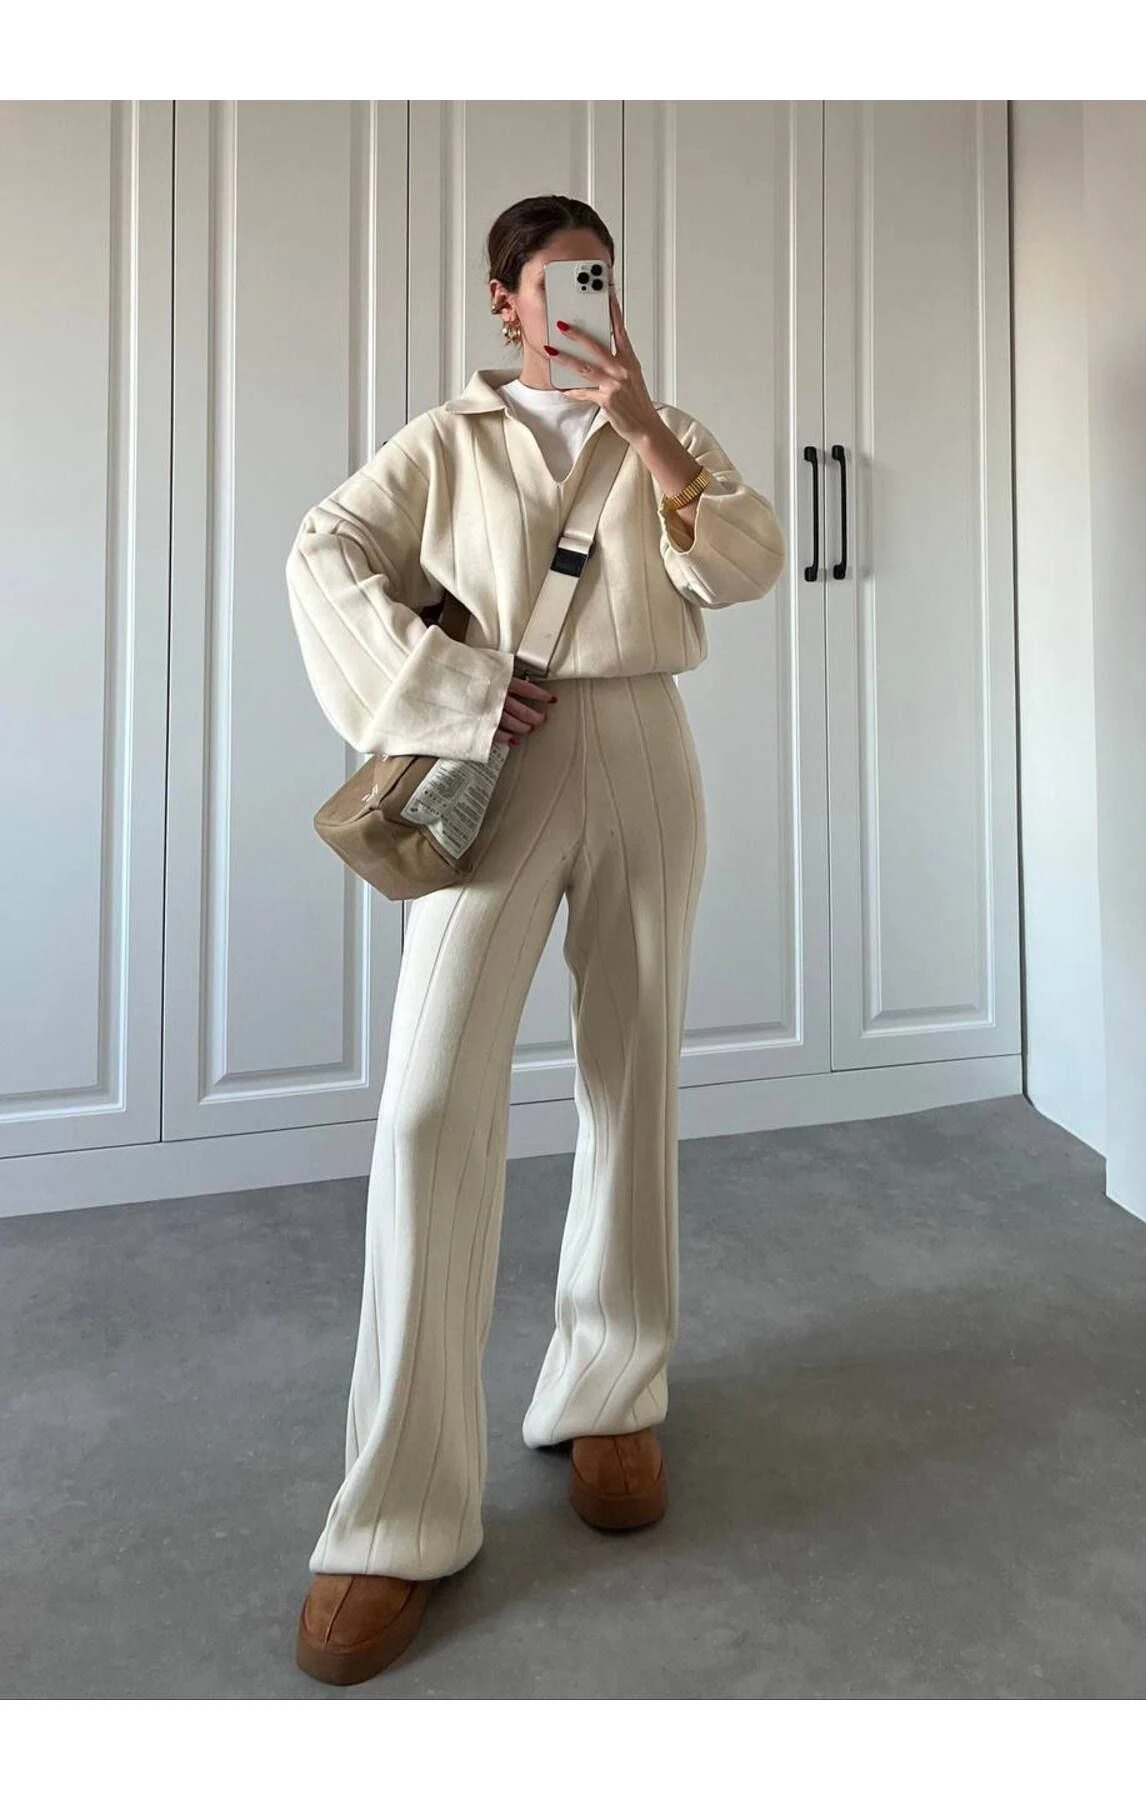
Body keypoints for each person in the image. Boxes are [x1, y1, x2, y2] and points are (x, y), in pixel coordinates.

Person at [285, 193, 786, 1685]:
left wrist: (643, 427)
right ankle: (398, 1515)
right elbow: (322, 553)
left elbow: (742, 563)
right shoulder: (446, 439)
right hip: (497, 766)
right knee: (431, 1108)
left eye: (600, 279)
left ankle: (612, 1393)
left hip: (645, 752)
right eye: (556, 282)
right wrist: (448, 687)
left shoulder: (663, 425)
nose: (581, 301)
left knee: (633, 1079)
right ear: (505, 300)